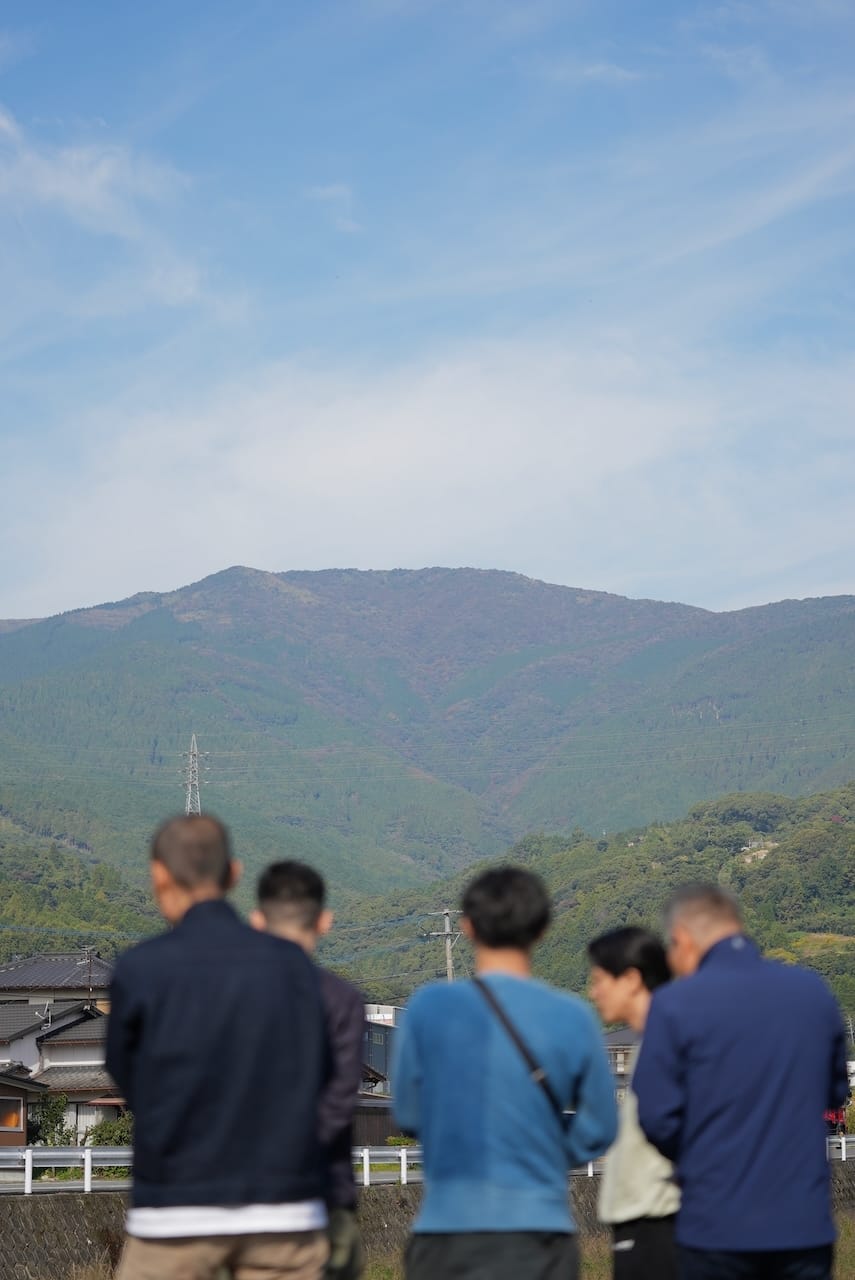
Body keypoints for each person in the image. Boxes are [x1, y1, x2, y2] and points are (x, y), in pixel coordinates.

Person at [106, 815, 329, 1280]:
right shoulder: (292, 965)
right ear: (233, 874)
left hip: (173, 1211)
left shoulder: (140, 969)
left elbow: (125, 1074)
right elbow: (320, 1070)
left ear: (158, 875)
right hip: (283, 1212)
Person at [393, 865, 618, 1280]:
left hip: (446, 1230)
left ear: (467, 927)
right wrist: (549, 1154)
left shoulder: (426, 1008)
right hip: (539, 1231)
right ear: (542, 930)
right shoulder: (573, 1017)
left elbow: (408, 1113)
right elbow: (601, 1126)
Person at [633, 883, 850, 1280]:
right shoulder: (811, 992)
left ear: (682, 939)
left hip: (715, 1225)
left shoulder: (673, 1005)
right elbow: (836, 1092)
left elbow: (655, 1116)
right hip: (802, 1225)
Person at [251, 860, 366, 1280]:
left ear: (257, 920)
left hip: (237, 1198)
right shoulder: (342, 999)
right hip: (321, 1195)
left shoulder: (226, 994)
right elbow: (339, 1102)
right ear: (324, 921)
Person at [587, 926, 679, 1280]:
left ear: (630, 979)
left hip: (655, 1225)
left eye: (599, 980)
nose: (594, 992)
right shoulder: (656, 1039)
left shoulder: (667, 1042)